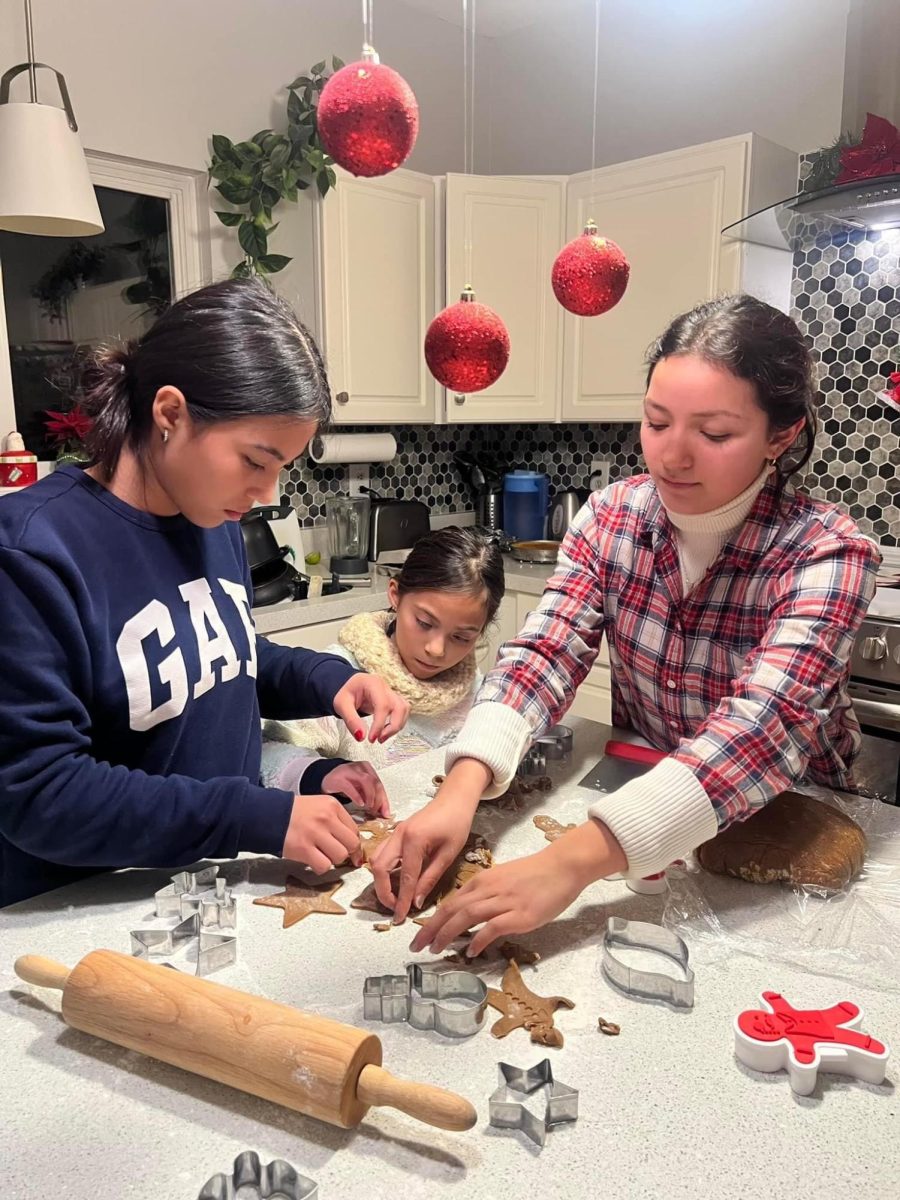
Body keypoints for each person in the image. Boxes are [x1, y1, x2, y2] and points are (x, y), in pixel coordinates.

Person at [369, 293, 881, 957]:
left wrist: (570, 864)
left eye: (716, 434)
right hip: (655, 814)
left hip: (795, 817)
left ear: (780, 435)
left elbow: (758, 730)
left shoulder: (828, 553)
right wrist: (460, 787)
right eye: (656, 421)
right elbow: (545, 654)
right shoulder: (611, 519)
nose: (673, 455)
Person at [0, 278, 409, 907]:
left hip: (198, 888)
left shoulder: (209, 518)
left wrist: (328, 681)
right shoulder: (31, 550)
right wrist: (256, 816)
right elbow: (39, 794)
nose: (268, 493)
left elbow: (224, 654)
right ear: (170, 414)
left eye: (281, 468)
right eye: (255, 460)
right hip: (81, 911)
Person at [261, 526, 505, 786]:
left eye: (461, 637)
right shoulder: (339, 680)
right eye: (424, 623)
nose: (437, 649)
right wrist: (318, 773)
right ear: (395, 595)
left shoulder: (476, 690)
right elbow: (267, 751)